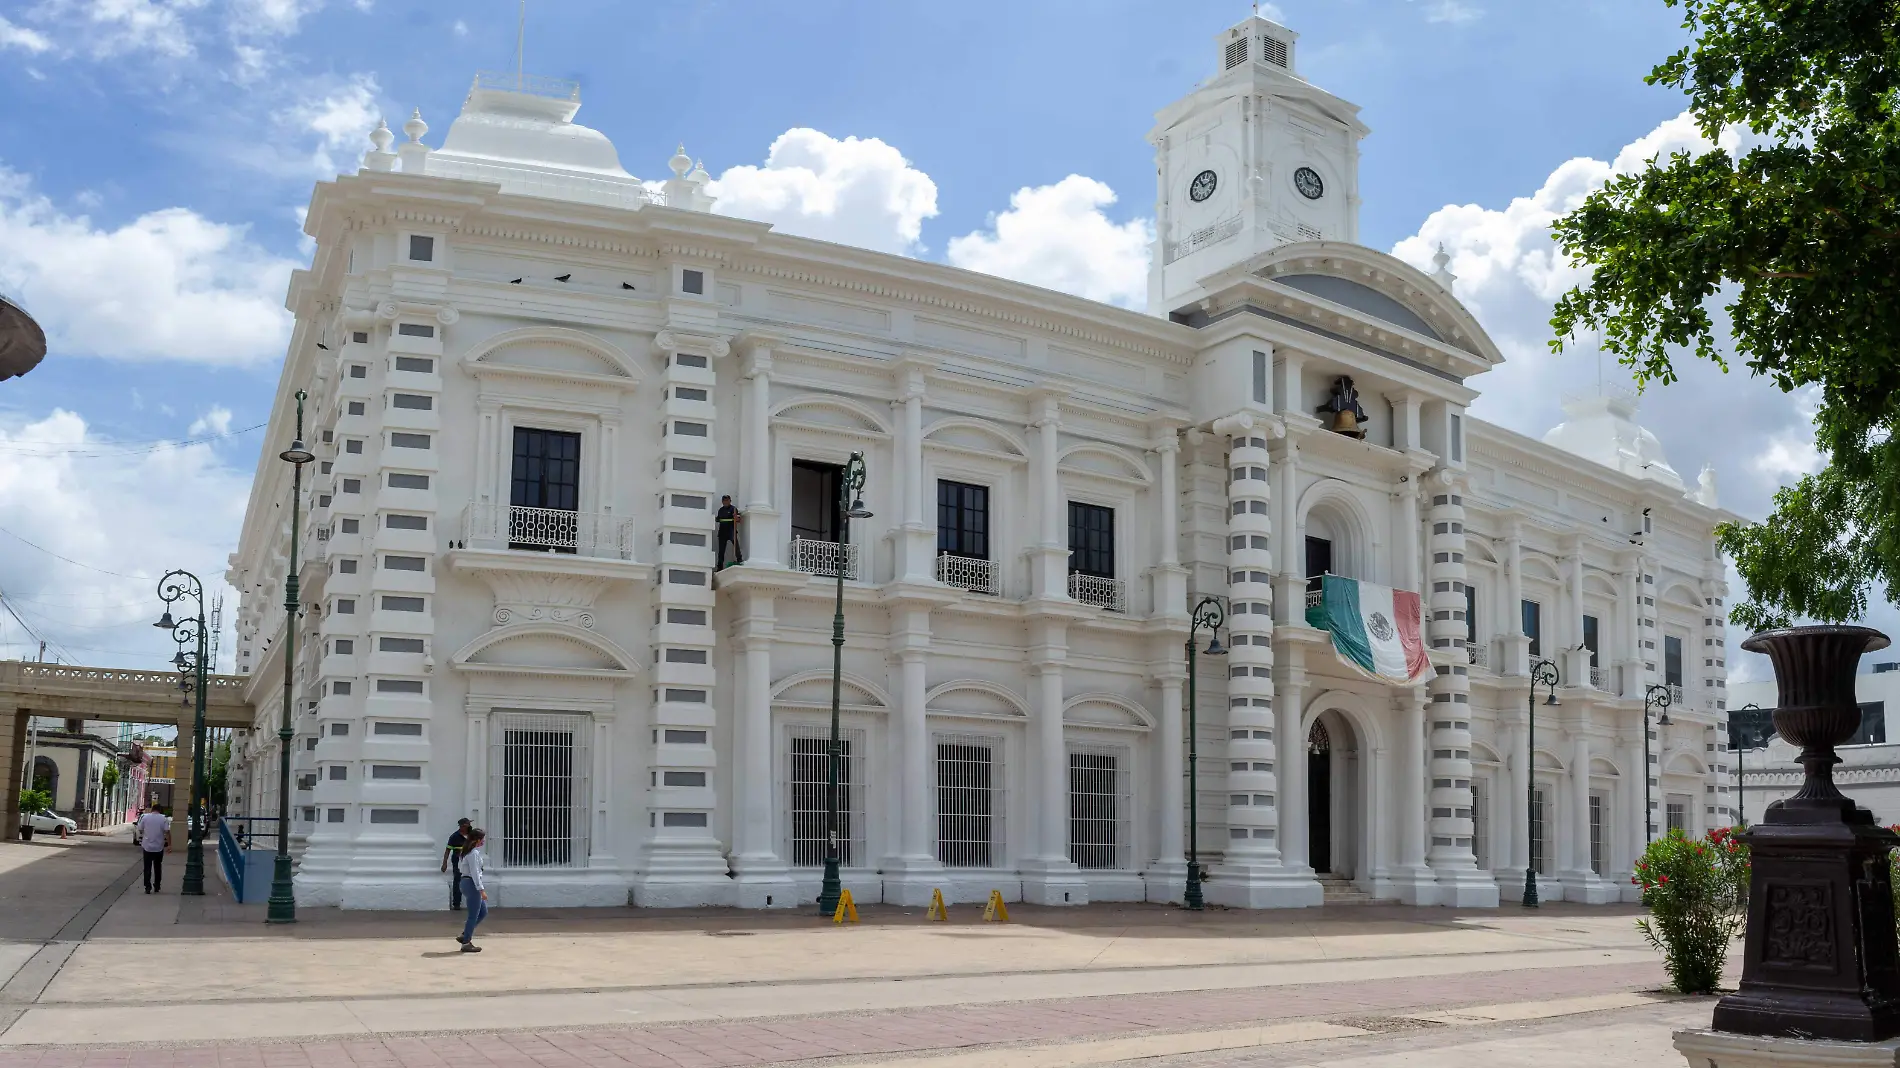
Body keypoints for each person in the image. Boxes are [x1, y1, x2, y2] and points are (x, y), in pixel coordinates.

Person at [456, 828, 489, 953]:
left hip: (466, 882)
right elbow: (475, 873)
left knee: (483, 912)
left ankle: (465, 934)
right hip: (471, 883)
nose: (483, 841)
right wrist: (481, 890)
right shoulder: (473, 853)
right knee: (473, 915)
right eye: (482, 839)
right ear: (477, 840)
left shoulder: (468, 852)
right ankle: (466, 942)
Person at [134, 804, 170, 894]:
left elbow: (140, 829)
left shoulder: (145, 817)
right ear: (160, 810)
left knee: (147, 867)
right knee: (158, 867)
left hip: (147, 846)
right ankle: (157, 885)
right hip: (159, 846)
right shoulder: (164, 818)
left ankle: (147, 886)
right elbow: (167, 832)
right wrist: (169, 845)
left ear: (152, 810)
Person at [441, 817, 472, 910]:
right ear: (462, 826)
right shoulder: (454, 836)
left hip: (470, 861)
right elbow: (447, 850)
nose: (470, 826)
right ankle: (456, 903)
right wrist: (444, 863)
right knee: (458, 880)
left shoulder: (472, 835)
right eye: (468, 824)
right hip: (458, 861)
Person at [715, 495, 744, 569]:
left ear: (730, 501)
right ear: (722, 502)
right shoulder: (720, 510)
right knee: (721, 550)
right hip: (722, 532)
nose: (726, 502)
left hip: (731, 530)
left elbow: (738, 519)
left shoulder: (733, 509)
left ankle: (739, 560)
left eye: (727, 500)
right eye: (724, 500)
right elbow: (718, 519)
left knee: (736, 546)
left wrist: (736, 517)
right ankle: (720, 566)